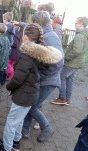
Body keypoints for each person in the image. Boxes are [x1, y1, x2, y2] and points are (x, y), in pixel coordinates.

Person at [0, 24, 63, 151]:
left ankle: (6, 150)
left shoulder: (27, 55)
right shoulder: (38, 55)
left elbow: (18, 78)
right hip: (32, 93)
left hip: (23, 94)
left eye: (23, 34)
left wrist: (8, 86)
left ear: (26, 37)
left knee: (11, 122)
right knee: (20, 119)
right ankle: (15, 142)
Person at [22, 11, 64, 143]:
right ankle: (25, 129)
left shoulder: (50, 37)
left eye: (33, 22)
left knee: (32, 106)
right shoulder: (44, 34)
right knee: (30, 103)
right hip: (42, 79)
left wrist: (41, 75)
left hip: (48, 81)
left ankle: (46, 128)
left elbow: (59, 62)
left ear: (38, 23)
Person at [51, 16, 88, 105]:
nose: (74, 24)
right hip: (78, 63)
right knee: (69, 80)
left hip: (72, 63)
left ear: (80, 24)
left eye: (76, 23)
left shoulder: (80, 36)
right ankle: (67, 99)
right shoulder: (83, 35)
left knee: (61, 77)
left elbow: (77, 51)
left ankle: (62, 98)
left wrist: (65, 58)